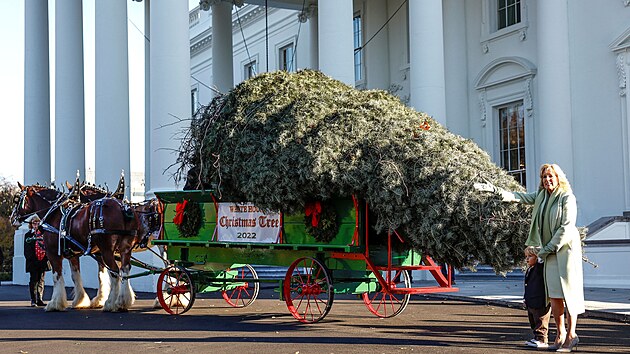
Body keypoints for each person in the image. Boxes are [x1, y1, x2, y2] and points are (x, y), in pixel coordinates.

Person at [474, 163, 584, 352]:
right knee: (555, 296)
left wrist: (545, 250)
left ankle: (572, 335)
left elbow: (566, 227)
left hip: (565, 251)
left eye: (551, 176)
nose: (547, 180)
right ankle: (560, 334)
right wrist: (494, 190)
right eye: (544, 177)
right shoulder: (541, 196)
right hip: (549, 253)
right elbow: (519, 197)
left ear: (559, 178)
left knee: (569, 294)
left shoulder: (567, 197)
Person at [523, 246, 551, 349]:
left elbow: (541, 260)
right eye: (526, 256)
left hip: (540, 300)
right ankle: (536, 337)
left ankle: (542, 339)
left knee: (541, 321)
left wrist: (540, 253)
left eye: (530, 256)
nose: (527, 259)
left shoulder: (540, 268)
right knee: (533, 321)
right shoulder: (530, 269)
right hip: (531, 300)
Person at [24, 215, 51, 307]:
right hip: (33, 262)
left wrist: (45, 259)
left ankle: (40, 299)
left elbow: (47, 247)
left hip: (43, 261)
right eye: (34, 223)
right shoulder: (28, 235)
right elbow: (27, 250)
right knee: (34, 280)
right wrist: (33, 259)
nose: (36, 225)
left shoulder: (44, 234)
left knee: (41, 280)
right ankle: (33, 300)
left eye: (37, 223)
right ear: (31, 225)